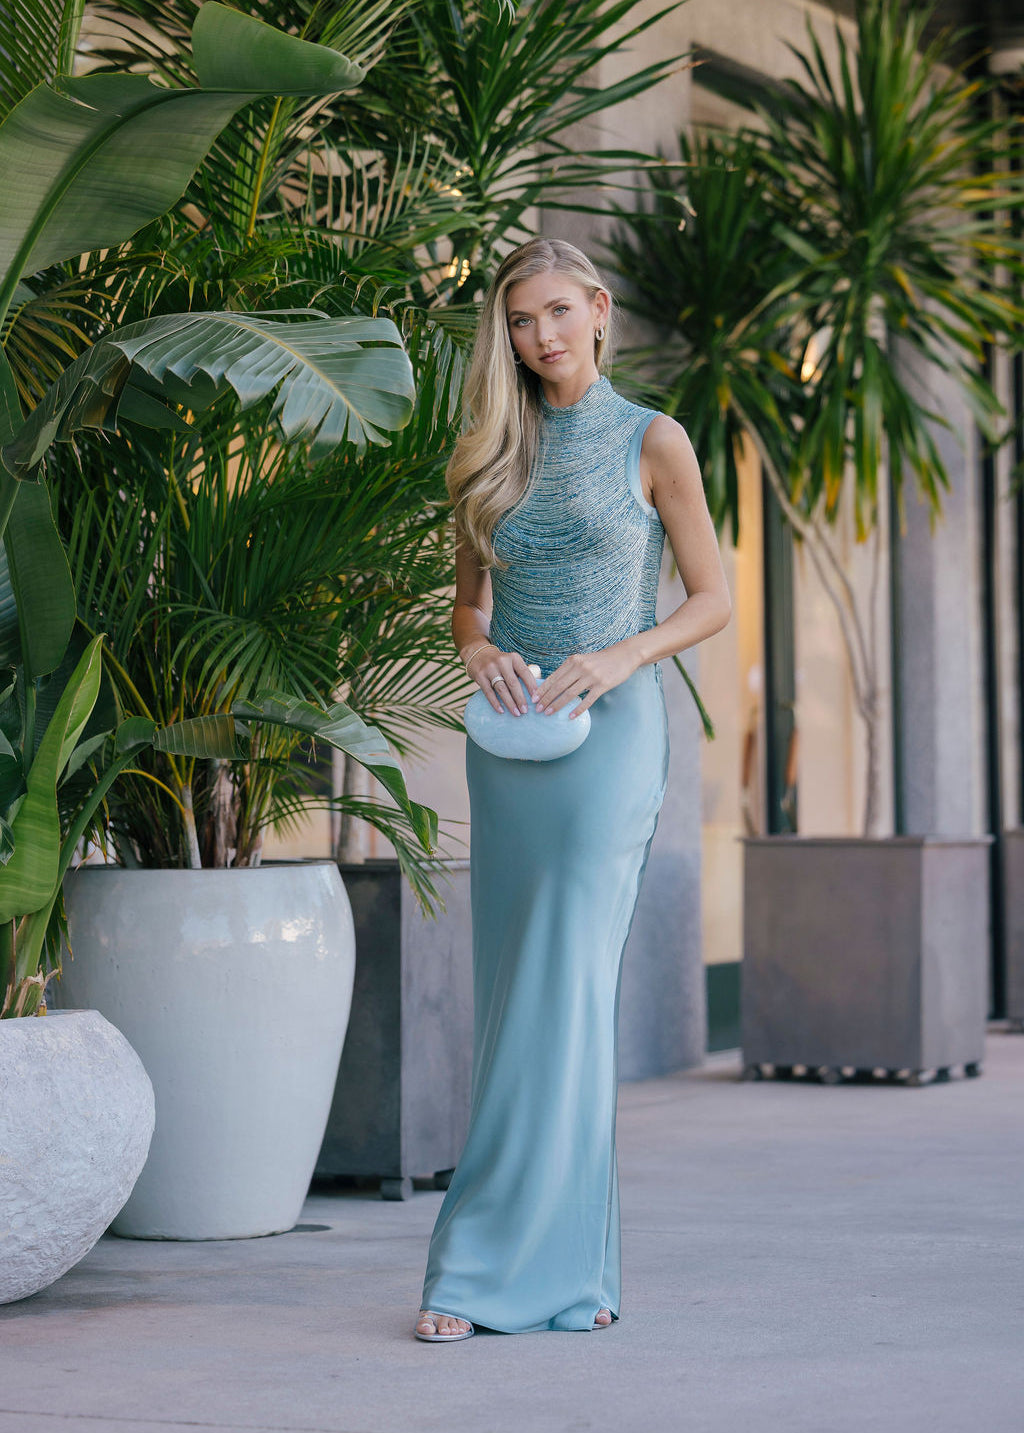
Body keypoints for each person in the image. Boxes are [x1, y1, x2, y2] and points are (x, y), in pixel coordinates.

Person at [414, 237, 731, 1341]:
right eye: (518, 320)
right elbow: (467, 605)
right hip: (513, 742)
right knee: (513, 994)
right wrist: (479, 650)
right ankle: (533, 1270)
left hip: (609, 738)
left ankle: (509, 1271)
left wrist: (624, 655)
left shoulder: (655, 438)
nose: (539, 335)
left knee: (567, 988)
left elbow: (713, 597)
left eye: (556, 311)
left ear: (597, 310)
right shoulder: (490, 446)